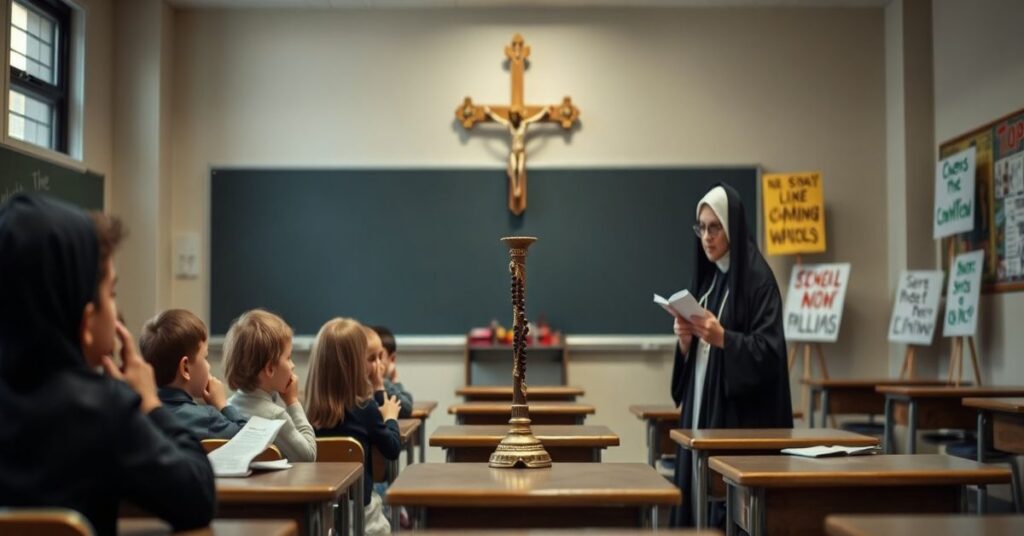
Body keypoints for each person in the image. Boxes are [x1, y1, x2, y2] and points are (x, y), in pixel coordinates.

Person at [0, 194, 215, 536]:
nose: (116, 310)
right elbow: (198, 495)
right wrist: (150, 403)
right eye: (112, 294)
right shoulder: (101, 410)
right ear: (86, 319)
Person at [669, 184, 792, 527]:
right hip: (702, 412)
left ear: (731, 227)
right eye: (701, 227)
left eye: (714, 227)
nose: (706, 237)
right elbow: (697, 363)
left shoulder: (758, 281)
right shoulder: (710, 281)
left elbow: (770, 353)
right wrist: (685, 344)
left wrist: (725, 339)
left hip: (738, 419)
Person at [306, 318, 401, 536]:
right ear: (356, 365)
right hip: (362, 518)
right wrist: (390, 418)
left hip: (323, 515)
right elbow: (392, 449)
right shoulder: (365, 409)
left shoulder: (308, 414)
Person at [139, 308, 247, 440]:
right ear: (185, 368)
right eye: (205, 358)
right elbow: (247, 438)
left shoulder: (139, 414)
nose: (209, 366)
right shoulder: (207, 418)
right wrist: (222, 405)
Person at [225, 309, 317, 462]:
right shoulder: (275, 416)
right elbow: (308, 456)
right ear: (270, 369)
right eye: (288, 357)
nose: (292, 365)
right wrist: (292, 401)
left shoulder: (226, 409)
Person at [484, 105, 548, 214]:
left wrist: (544, 112)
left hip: (521, 151)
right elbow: (499, 120)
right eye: (512, 117)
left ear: (518, 117)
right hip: (513, 152)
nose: (513, 118)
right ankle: (516, 188)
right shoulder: (509, 125)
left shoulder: (524, 125)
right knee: (514, 170)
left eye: (515, 116)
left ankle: (518, 188)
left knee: (520, 170)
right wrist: (489, 113)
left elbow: (535, 118)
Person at [371, 325, 413, 419]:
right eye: (372, 358)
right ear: (393, 359)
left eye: (380, 356)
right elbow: (406, 408)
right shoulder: (379, 382)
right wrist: (395, 381)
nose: (378, 363)